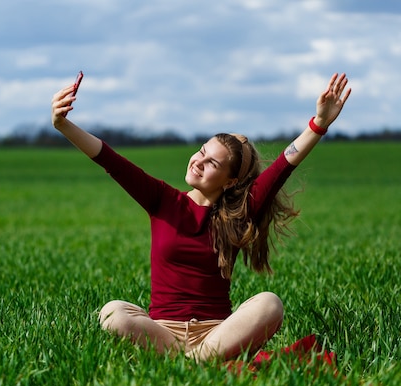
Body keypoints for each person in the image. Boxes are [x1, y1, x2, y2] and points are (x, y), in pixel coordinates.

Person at [51, 72, 351, 363]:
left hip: (218, 333)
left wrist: (319, 124)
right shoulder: (162, 200)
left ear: (230, 181)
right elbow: (109, 159)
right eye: (201, 151)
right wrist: (63, 124)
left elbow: (285, 163)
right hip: (161, 332)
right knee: (112, 312)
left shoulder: (240, 211)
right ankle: (198, 362)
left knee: (270, 303)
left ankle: (189, 362)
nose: (198, 161)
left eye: (211, 162)